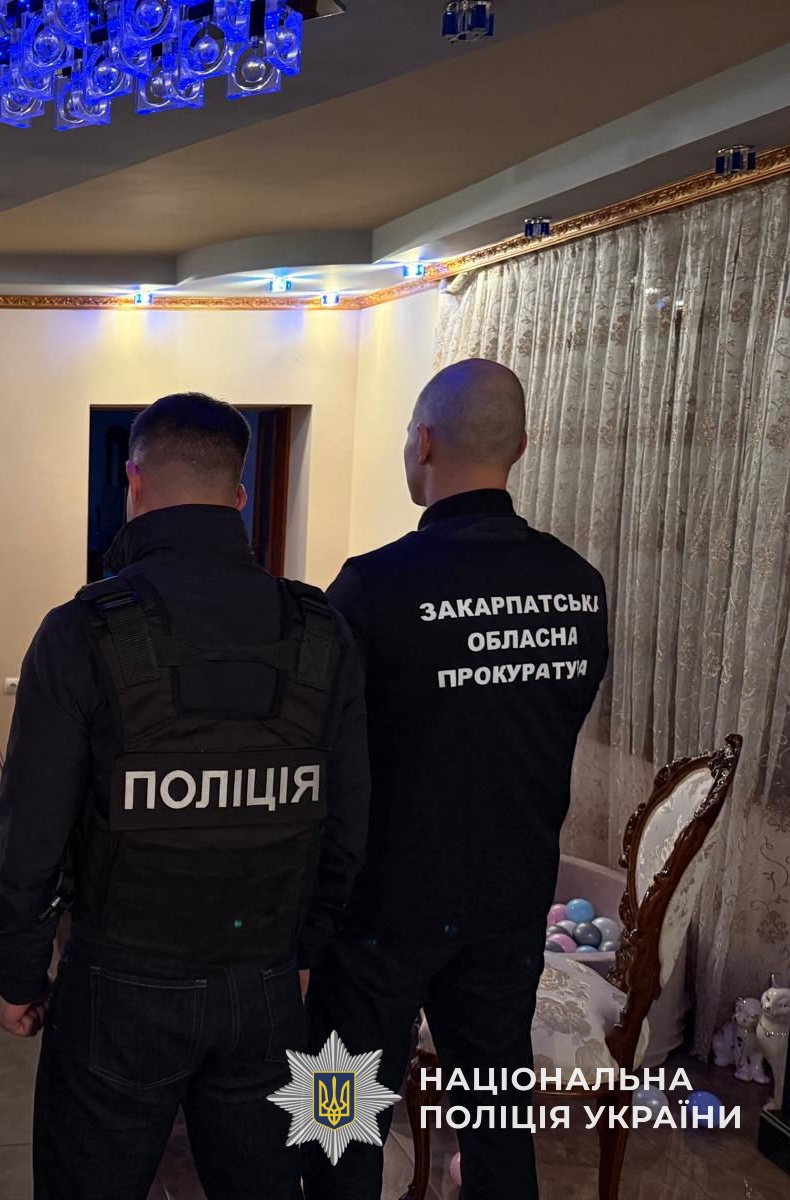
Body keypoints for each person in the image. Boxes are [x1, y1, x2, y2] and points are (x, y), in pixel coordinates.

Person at [0, 392, 370, 1200]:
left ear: (133, 482)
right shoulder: (321, 629)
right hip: (267, 981)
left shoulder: (81, 629)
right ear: (240, 495)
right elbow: (346, 823)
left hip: (119, 984)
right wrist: (306, 954)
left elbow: (31, 830)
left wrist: (19, 973)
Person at [302, 359, 610, 1200]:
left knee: (338, 1125)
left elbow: (323, 754)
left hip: (377, 914)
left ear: (425, 442)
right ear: (520, 446)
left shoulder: (373, 586)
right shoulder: (578, 588)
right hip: (510, 901)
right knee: (498, 1117)